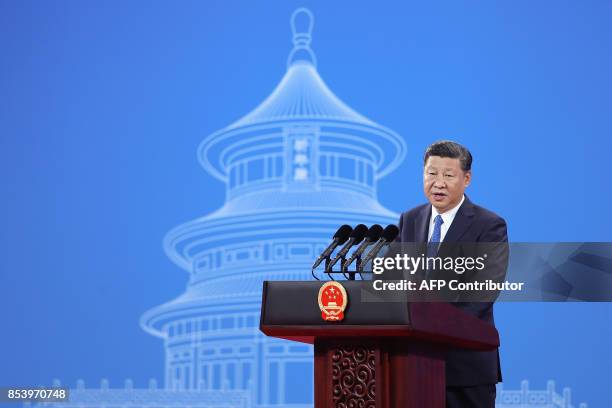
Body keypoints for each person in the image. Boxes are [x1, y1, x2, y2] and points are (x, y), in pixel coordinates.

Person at [396, 140, 508, 408]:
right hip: (413, 366)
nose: (438, 182)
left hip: (465, 367)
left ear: (466, 179)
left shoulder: (489, 225)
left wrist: (429, 324)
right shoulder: (409, 219)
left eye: (448, 175)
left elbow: (483, 292)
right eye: (431, 173)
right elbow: (391, 277)